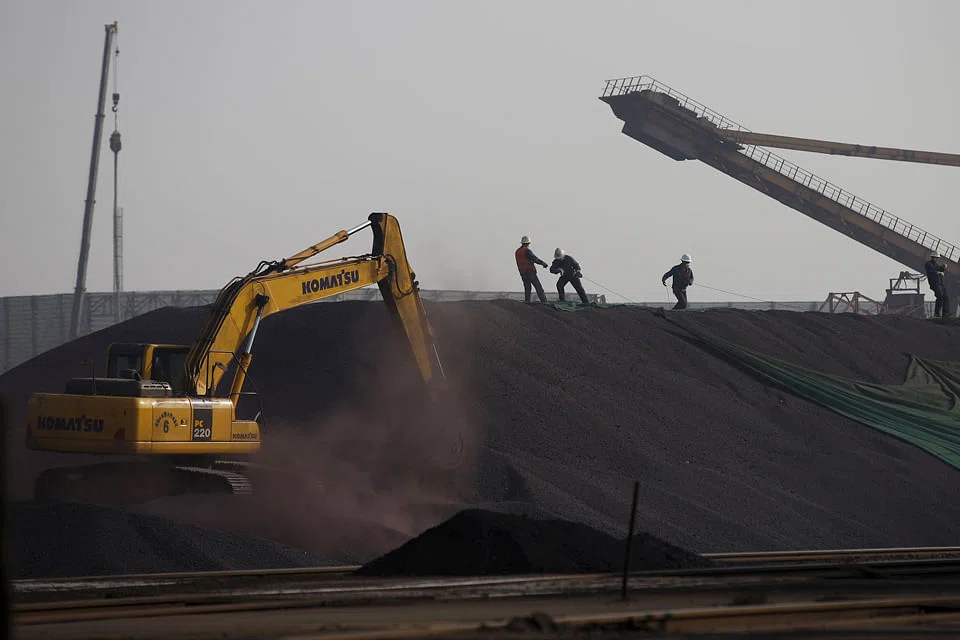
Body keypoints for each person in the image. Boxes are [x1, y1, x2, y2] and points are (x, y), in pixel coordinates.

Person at [515, 235, 549, 303]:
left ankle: (527, 301)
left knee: (527, 288)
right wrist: (543, 263)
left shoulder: (517, 251)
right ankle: (544, 302)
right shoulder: (527, 251)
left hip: (522, 273)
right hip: (530, 272)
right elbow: (534, 259)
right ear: (528, 243)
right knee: (538, 287)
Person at [924, 251, 951, 318]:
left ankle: (946, 314)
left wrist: (943, 267)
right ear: (932, 257)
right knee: (940, 296)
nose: (937, 259)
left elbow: (939, 268)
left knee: (946, 297)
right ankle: (937, 313)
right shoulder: (928, 264)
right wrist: (938, 272)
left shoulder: (935, 264)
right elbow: (931, 271)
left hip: (940, 283)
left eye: (937, 258)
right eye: (936, 258)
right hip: (934, 284)